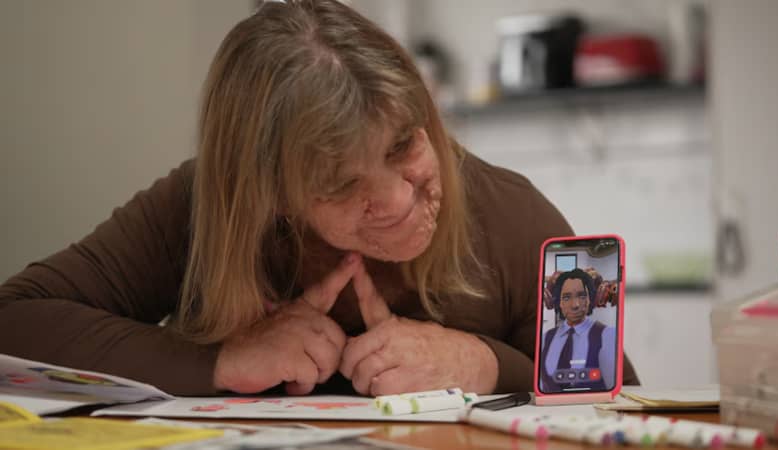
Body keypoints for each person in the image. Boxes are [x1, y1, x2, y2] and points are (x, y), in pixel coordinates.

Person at [0, 0, 638, 397]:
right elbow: (16, 318)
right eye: (342, 185)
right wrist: (219, 360)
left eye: (403, 146)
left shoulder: (509, 211)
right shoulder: (207, 205)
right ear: (273, 196)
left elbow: (619, 396)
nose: (397, 201)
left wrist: (483, 364)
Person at [539, 268, 617, 392]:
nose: (575, 304)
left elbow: (612, 392)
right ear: (559, 302)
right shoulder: (544, 338)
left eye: (581, 296)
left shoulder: (607, 335)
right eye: (566, 297)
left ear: (590, 298)